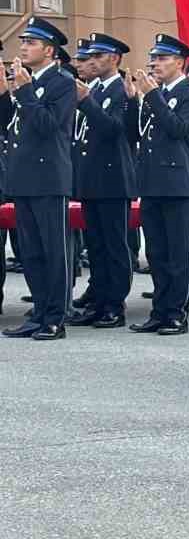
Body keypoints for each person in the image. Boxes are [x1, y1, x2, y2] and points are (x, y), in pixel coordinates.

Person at [0, 17, 76, 340]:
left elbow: (48, 125)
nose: (24, 47)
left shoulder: (62, 82)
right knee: (30, 252)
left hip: (49, 178)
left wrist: (25, 90)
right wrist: (8, 93)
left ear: (49, 50)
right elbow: (10, 126)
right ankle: (39, 313)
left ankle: (55, 317)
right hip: (24, 178)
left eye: (31, 43)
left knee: (52, 250)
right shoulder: (23, 82)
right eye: (23, 42)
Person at [125, 34, 189, 336]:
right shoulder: (151, 94)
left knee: (177, 254)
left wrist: (153, 97)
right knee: (157, 254)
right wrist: (136, 101)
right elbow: (138, 134)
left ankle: (176, 313)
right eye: (153, 58)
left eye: (162, 58)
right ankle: (159, 311)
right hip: (151, 182)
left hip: (177, 183)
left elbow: (180, 129)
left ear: (180, 62)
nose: (154, 63)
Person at [65, 32, 135, 329]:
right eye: (89, 56)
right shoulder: (91, 88)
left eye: (98, 56)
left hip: (113, 180)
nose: (91, 61)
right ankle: (98, 300)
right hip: (91, 178)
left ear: (115, 59)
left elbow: (115, 129)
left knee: (114, 245)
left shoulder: (121, 89)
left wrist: (87, 102)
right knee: (95, 245)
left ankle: (114, 305)